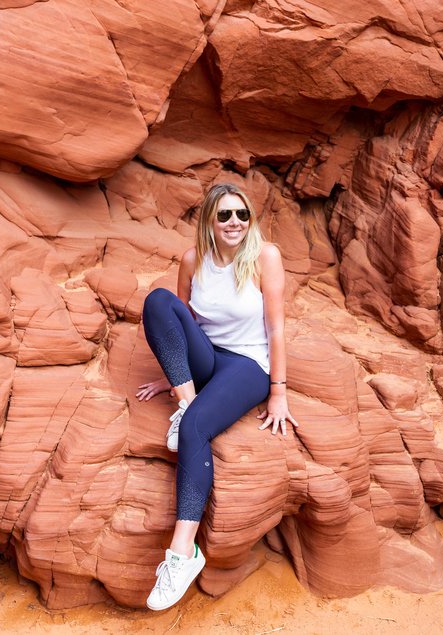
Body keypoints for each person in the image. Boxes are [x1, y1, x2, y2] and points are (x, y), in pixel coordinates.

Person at [136, 182, 298, 611]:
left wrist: (278, 393)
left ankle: (181, 553)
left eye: (242, 215)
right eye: (225, 215)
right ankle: (188, 401)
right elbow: (180, 321)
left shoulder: (265, 257)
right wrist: (175, 375)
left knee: (193, 431)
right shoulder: (193, 259)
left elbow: (276, 327)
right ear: (210, 218)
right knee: (158, 301)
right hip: (208, 361)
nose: (234, 223)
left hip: (247, 366)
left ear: (251, 220)